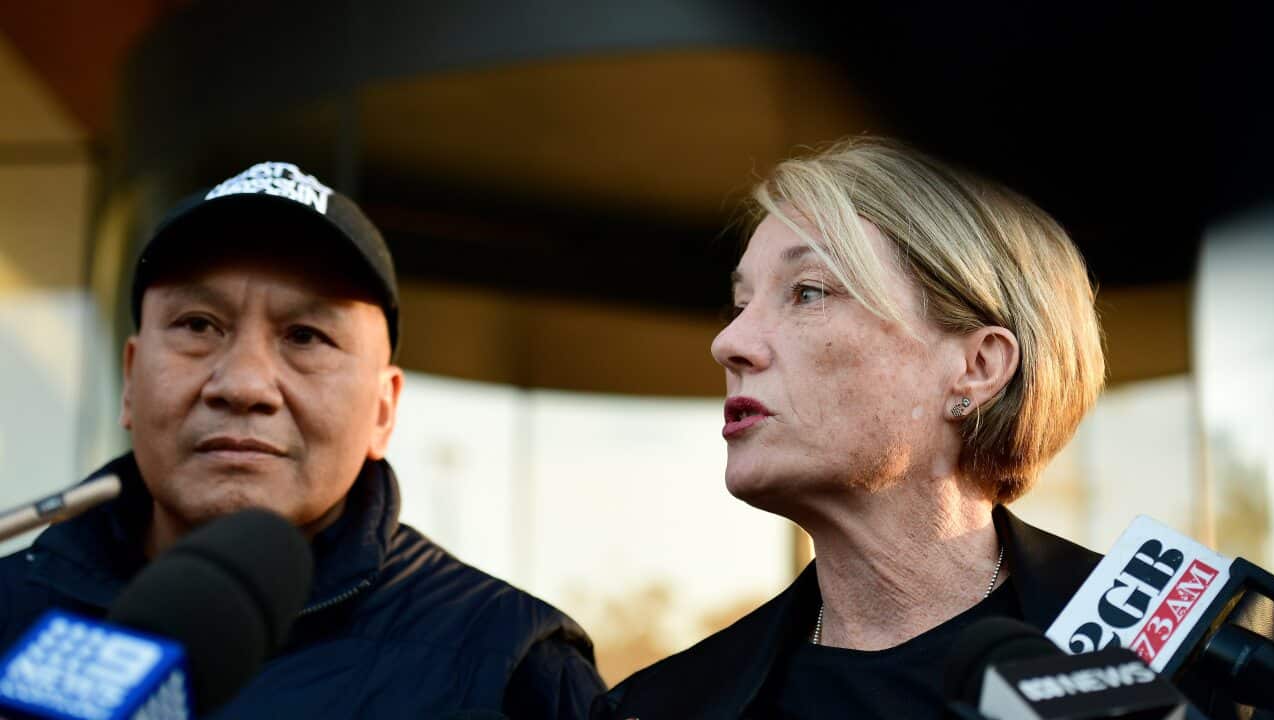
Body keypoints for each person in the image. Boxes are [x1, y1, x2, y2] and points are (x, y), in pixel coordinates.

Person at [0, 162, 604, 718]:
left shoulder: (506, 666)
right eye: (198, 325)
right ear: (130, 380)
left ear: (383, 410)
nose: (243, 385)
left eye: (307, 336)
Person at [594, 138, 1107, 719]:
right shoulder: (663, 707)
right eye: (740, 305)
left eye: (808, 292)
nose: (728, 343)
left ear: (976, 368)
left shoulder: (1174, 652)